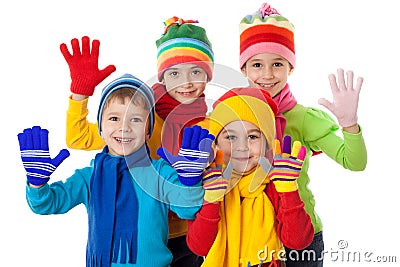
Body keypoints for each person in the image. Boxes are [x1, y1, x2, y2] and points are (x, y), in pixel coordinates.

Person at [61, 17, 214, 267]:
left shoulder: (210, 126)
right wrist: (80, 94)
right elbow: (79, 137)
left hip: (189, 230)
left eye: (195, 72)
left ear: (208, 77)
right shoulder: (141, 118)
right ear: (162, 77)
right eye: (174, 73)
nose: (185, 82)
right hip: (145, 230)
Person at [18, 74, 213, 267]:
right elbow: (47, 204)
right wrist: (37, 184)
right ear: (101, 128)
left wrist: (190, 180)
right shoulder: (90, 177)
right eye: (114, 118)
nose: (124, 128)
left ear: (148, 130)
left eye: (135, 119)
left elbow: (189, 209)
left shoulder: (160, 173)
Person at [238, 3, 367, 266]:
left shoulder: (304, 118)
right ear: (243, 70)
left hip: (301, 234)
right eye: (257, 65)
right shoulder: (235, 115)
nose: (267, 74)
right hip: (250, 233)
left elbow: (355, 162)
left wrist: (350, 125)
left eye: (277, 63)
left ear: (291, 67)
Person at [186, 88, 314, 267]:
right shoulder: (207, 182)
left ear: (267, 143)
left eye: (253, 136)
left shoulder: (275, 183)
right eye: (230, 136)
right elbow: (199, 247)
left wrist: (289, 190)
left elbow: (298, 241)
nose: (242, 147)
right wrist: (211, 200)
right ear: (215, 141)